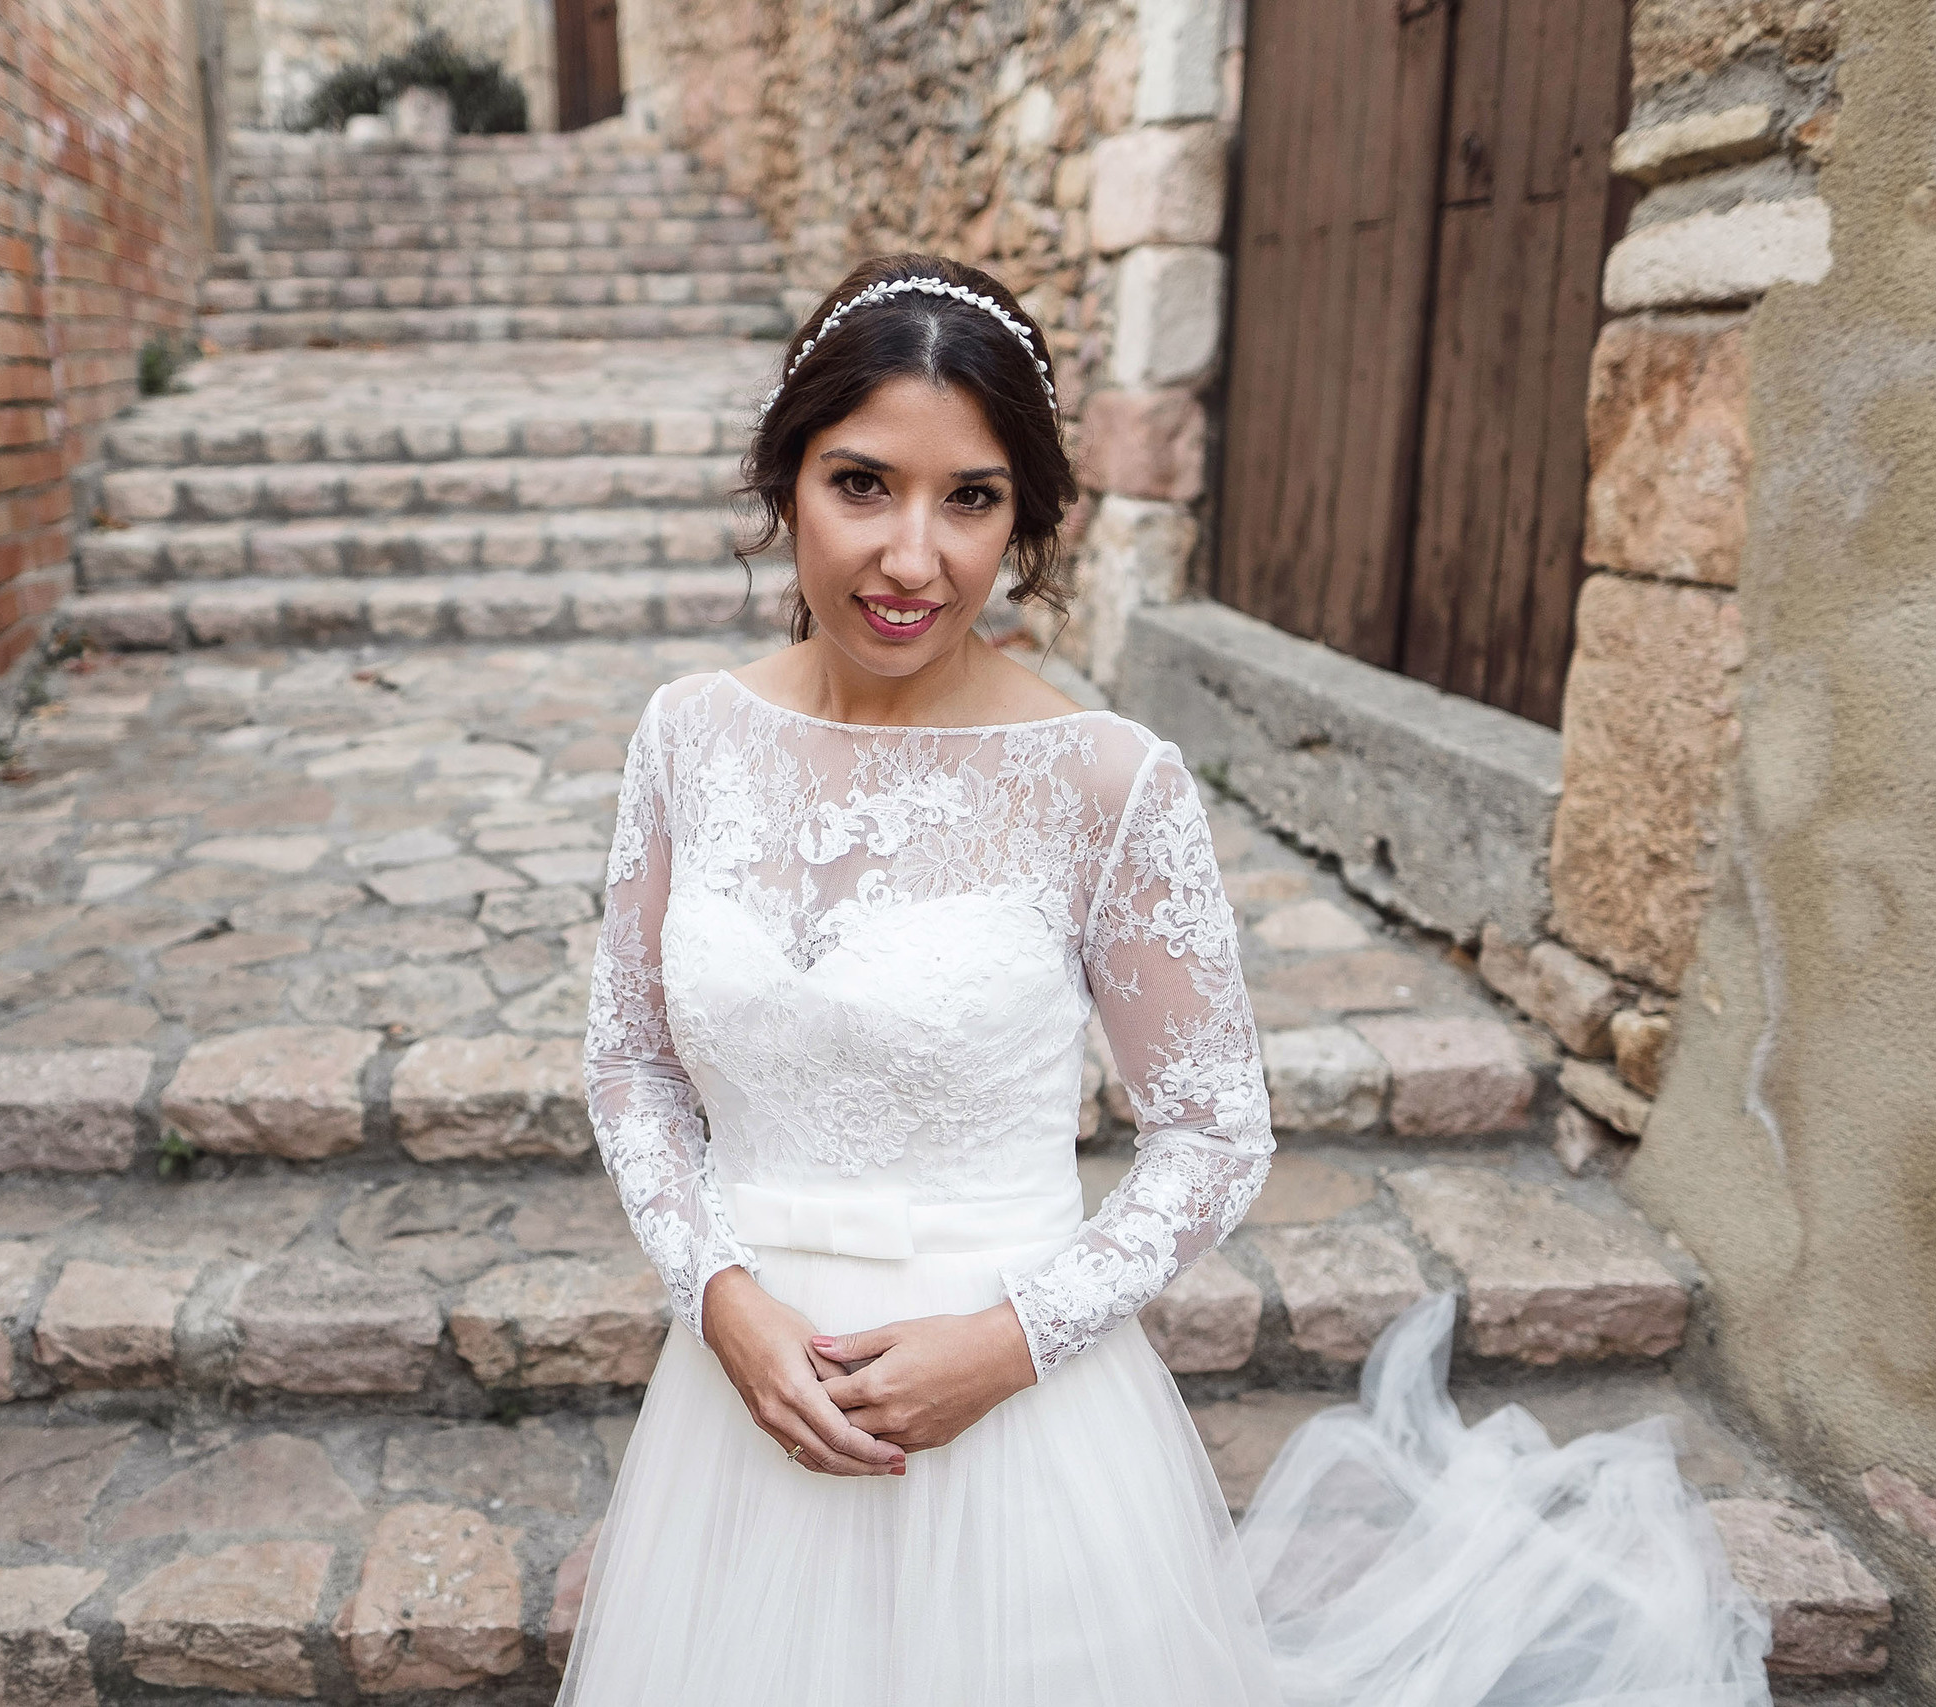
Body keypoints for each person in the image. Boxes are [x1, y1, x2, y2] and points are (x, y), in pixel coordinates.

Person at [557, 253, 1772, 1707]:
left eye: (973, 498)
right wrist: (721, 1300)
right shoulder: (686, 737)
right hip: (741, 1399)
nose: (915, 558)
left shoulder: (1105, 784)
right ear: (786, 479)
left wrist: (1006, 1346)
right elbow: (631, 1060)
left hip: (1010, 1422)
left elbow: (1212, 1135)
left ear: (1031, 518)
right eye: (862, 483)